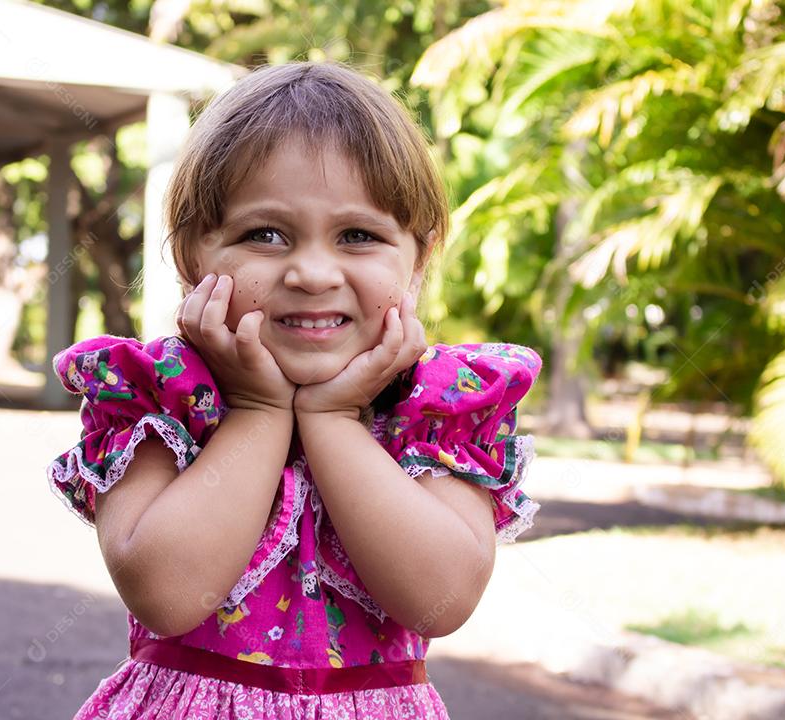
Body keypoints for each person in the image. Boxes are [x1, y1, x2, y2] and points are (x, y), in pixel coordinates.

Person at [47, 61, 543, 719]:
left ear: (416, 260)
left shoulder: (436, 409)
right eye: (267, 234)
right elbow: (165, 592)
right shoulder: (160, 400)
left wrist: (335, 420)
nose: (312, 272)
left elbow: (442, 600)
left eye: (358, 236)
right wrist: (257, 411)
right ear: (196, 255)